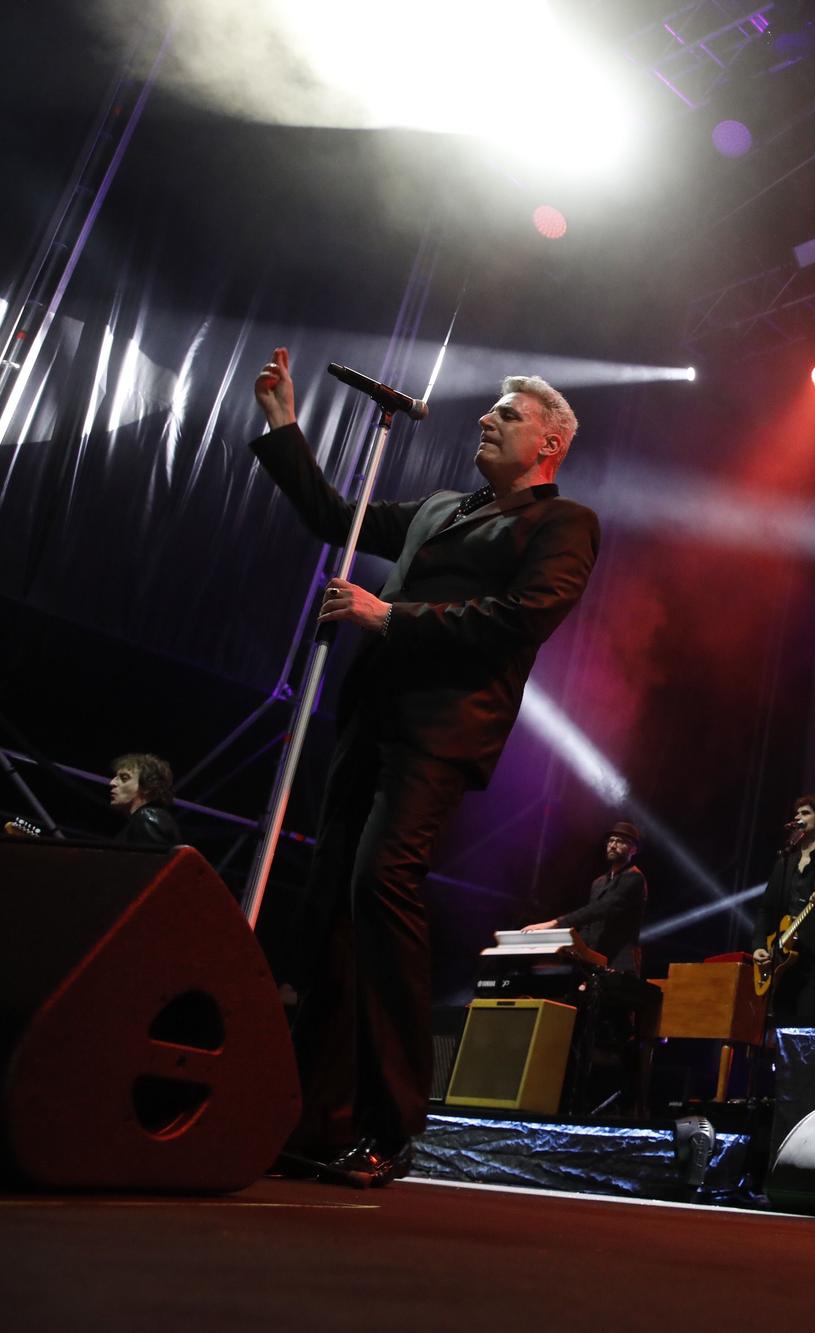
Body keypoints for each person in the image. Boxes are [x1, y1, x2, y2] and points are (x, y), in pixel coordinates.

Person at [251, 347, 600, 1186]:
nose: (487, 418)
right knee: (330, 903)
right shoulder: (443, 506)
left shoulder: (562, 525)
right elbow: (340, 516)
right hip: (368, 719)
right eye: (492, 410)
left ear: (548, 443)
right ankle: (311, 1115)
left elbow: (518, 619)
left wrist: (389, 614)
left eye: (507, 414)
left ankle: (392, 1121)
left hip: (440, 733)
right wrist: (284, 426)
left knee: (381, 884)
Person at [753, 794, 815, 1022]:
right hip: (782, 962)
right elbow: (766, 909)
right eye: (797, 813)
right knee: (779, 1028)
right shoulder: (785, 862)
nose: (798, 817)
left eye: (805, 813)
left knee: (803, 1030)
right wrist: (759, 945)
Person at [525, 821, 648, 974]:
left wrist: (555, 923)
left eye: (620, 841)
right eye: (610, 840)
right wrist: (573, 946)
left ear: (633, 849)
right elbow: (590, 923)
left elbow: (603, 908)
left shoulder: (634, 878)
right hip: (595, 961)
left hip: (619, 961)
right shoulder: (598, 882)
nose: (613, 845)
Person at [108, 752, 181, 845]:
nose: (112, 782)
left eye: (124, 778)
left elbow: (152, 859)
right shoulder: (142, 819)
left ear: (147, 786)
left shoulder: (147, 817)